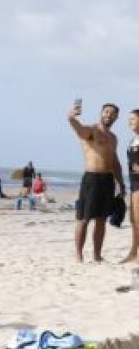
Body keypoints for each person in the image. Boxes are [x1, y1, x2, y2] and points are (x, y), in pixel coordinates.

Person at [67, 101, 125, 262]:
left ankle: (97, 255)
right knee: (84, 218)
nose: (109, 115)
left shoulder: (113, 138)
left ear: (116, 117)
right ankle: (79, 255)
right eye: (106, 111)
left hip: (108, 180)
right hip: (92, 179)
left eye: (112, 113)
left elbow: (115, 162)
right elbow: (79, 130)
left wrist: (120, 183)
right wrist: (71, 119)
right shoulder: (92, 131)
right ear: (101, 113)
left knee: (101, 219)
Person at [122, 109, 139, 264]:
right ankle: (133, 252)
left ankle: (136, 254)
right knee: (133, 219)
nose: (130, 122)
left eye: (133, 119)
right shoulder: (134, 139)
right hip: (133, 184)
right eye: (129, 120)